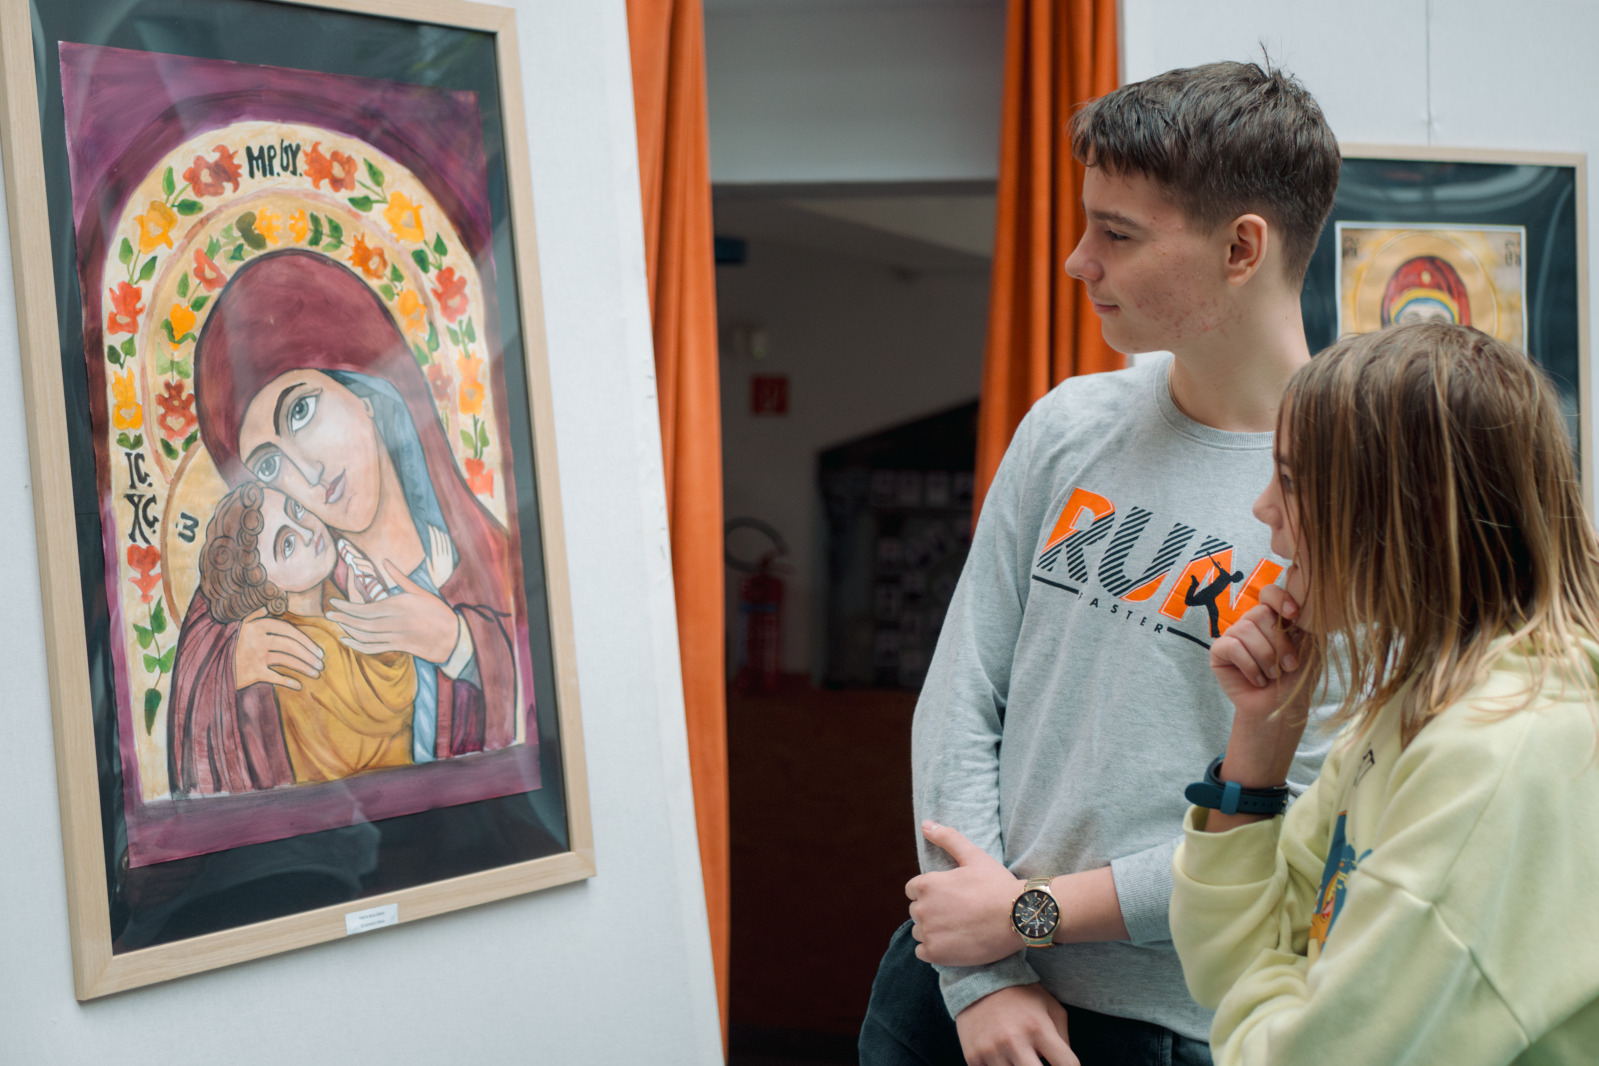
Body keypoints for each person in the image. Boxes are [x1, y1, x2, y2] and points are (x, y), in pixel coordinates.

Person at [859, 61, 1341, 1066]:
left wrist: (1021, 917)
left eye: (1117, 235)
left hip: (1164, 1026)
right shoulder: (1068, 422)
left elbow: (1293, 829)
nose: (1079, 262)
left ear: (1242, 248)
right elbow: (961, 695)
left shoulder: (1351, 493)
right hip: (951, 988)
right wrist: (986, 971)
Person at [1170, 322, 1599, 1063]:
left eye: (1292, 481)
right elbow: (1217, 965)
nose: (1263, 507)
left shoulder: (1498, 752)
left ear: (1409, 511)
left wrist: (1292, 987)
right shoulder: (1419, 702)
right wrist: (1262, 741)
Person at [168, 250, 532, 795]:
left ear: (365, 391)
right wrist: (231, 667)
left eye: (300, 412)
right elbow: (196, 686)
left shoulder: (484, 560)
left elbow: (540, 708)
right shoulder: (283, 579)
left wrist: (455, 641)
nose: (307, 473)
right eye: (268, 465)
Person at [198, 480, 461, 783]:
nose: (308, 531)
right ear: (268, 588)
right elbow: (392, 699)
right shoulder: (299, 646)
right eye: (287, 544)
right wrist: (383, 626)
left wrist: (366, 608)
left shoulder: (327, 601)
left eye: (297, 509)